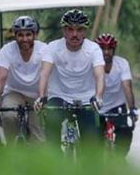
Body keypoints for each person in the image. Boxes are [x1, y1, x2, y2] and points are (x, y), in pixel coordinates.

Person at [35, 9, 105, 146]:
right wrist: (41, 96)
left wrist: (98, 96)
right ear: (63, 30)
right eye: (70, 29)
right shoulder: (53, 47)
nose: (75, 34)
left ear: (85, 31)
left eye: (79, 30)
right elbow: (44, 73)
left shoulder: (94, 49)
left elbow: (100, 75)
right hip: (59, 97)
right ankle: (55, 162)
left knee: (91, 142)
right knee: (51, 130)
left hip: (85, 99)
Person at [0, 15, 50, 142]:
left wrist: (42, 97)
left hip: (38, 93)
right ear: (15, 36)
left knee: (37, 131)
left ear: (35, 35)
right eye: (20, 35)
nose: (24, 39)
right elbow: (0, 76)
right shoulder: (7, 50)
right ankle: (12, 149)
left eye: (28, 35)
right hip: (15, 92)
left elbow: (45, 74)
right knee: (8, 115)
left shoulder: (44, 49)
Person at [96, 33, 137, 157]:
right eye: (103, 49)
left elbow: (127, 87)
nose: (106, 52)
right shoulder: (91, 64)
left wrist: (132, 109)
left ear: (114, 50)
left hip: (116, 107)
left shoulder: (122, 64)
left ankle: (119, 161)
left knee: (125, 133)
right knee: (92, 141)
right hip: (96, 107)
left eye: (109, 49)